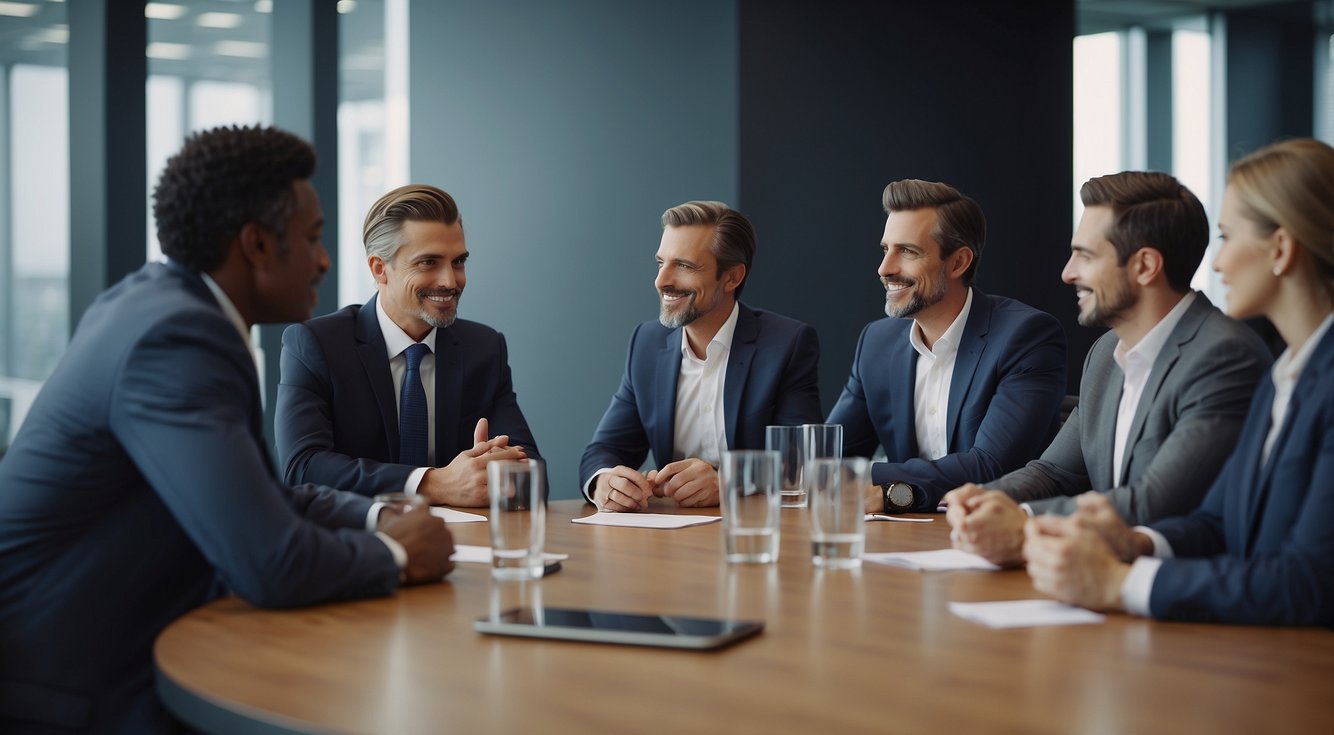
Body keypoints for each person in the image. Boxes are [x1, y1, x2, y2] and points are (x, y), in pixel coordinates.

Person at [0, 126, 455, 735]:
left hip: (127, 651)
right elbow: (272, 565)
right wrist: (394, 555)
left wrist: (380, 514)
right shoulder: (178, 339)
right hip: (74, 698)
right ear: (258, 244)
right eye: (314, 236)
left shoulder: (159, 305)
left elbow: (261, 497)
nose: (325, 260)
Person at [1023, 138, 1334, 626]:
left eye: (1228, 238)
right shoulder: (1284, 375)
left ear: (1281, 248)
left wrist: (1120, 583)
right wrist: (1135, 542)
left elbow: (1308, 582)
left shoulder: (1252, 361)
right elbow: (1218, 523)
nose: (1216, 263)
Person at [945, 171, 1271, 565]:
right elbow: (1053, 473)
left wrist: (1020, 518)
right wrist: (988, 498)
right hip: (1099, 585)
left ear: (1145, 266)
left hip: (1182, 598)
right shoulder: (1105, 353)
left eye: (1085, 255)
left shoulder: (1224, 357)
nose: (1068, 272)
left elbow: (1153, 502)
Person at [276, 184, 539, 507]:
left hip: (462, 544)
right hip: (355, 543)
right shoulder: (316, 345)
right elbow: (302, 468)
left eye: (458, 262)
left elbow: (532, 473)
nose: (450, 281)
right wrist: (432, 483)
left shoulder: (483, 348)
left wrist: (500, 470)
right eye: (428, 263)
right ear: (379, 268)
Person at [826, 179, 1067, 514]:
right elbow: (829, 454)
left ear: (958, 262)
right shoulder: (876, 343)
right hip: (903, 537)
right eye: (885, 249)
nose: (884, 269)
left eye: (907, 251)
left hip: (997, 534)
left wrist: (868, 478)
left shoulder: (1026, 336)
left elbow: (989, 467)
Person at [579, 200, 822, 510]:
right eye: (660, 263)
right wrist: (605, 482)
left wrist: (729, 482)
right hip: (675, 540)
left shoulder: (787, 344)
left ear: (732, 277)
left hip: (758, 537)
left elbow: (803, 464)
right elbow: (604, 449)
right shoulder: (647, 343)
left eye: (684, 265)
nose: (661, 280)